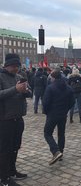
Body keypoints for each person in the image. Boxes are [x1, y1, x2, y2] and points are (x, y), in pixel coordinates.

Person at [0, 54, 32, 186]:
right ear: (7, 65)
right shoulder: (1, 77)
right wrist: (15, 89)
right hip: (4, 119)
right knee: (5, 149)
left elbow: (30, 93)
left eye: (18, 66)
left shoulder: (19, 77)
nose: (16, 69)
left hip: (18, 118)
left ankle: (12, 171)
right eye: (14, 66)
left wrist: (25, 91)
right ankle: (4, 178)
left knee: (15, 147)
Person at [43, 69, 75, 165]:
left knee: (47, 133)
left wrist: (46, 111)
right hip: (62, 114)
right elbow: (72, 102)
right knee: (61, 134)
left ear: (53, 78)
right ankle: (61, 152)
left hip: (52, 114)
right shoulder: (68, 88)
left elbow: (46, 102)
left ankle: (56, 151)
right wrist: (66, 109)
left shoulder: (50, 88)